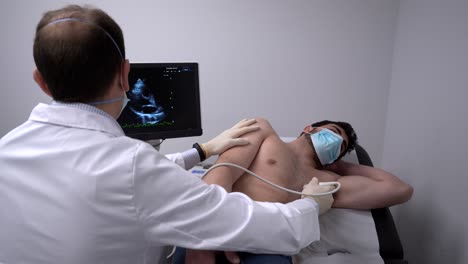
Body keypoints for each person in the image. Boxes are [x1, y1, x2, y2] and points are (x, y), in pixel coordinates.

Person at [0, 5, 333, 264]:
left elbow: (116, 183)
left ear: (40, 81)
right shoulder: (133, 167)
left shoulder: (7, 150)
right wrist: (310, 205)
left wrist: (203, 150)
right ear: (125, 74)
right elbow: (263, 226)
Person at [174, 118, 414, 263]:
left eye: (342, 146)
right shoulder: (263, 131)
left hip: (266, 246)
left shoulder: (328, 181)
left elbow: (399, 189)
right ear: (309, 128)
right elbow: (220, 176)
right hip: (214, 230)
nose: (337, 143)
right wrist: (202, 244)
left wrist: (343, 163)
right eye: (334, 133)